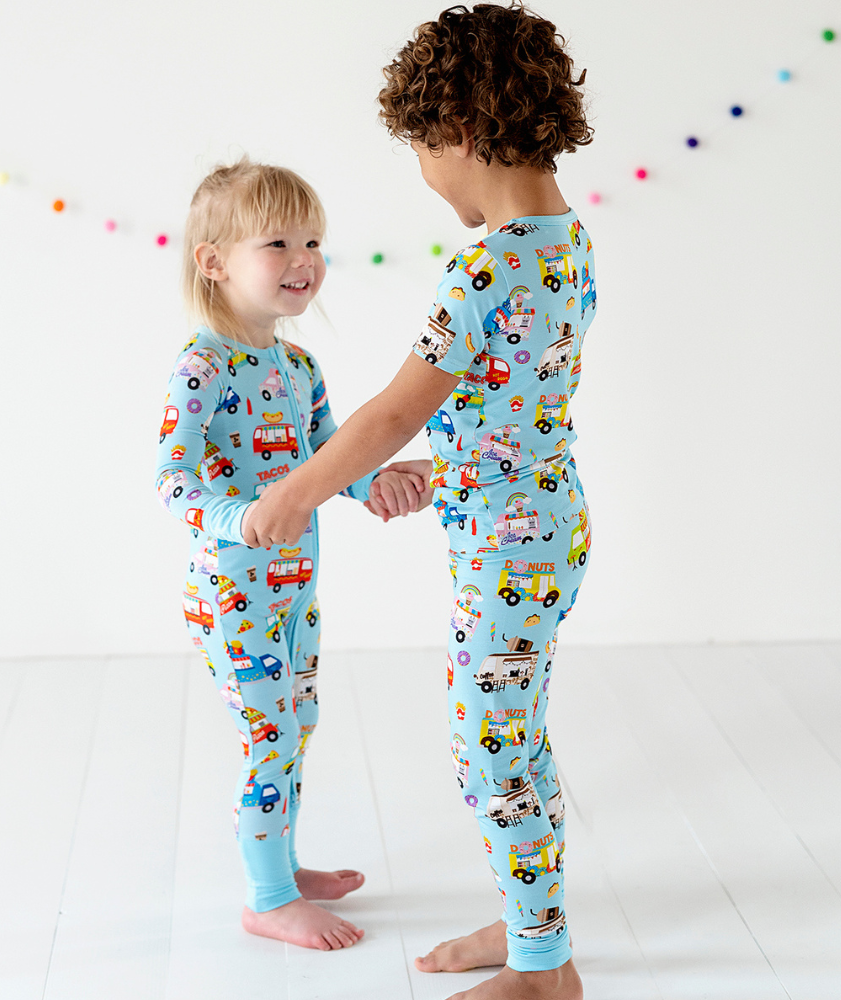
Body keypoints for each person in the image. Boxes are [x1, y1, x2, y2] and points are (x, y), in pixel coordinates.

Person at [242, 5, 596, 998]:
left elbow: (396, 409)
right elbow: (518, 399)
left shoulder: (489, 265)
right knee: (511, 733)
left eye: (423, 150)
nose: (426, 174)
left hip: (510, 545)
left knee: (495, 751)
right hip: (543, 519)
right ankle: (528, 914)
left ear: (469, 130)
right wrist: (457, 470)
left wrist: (300, 484)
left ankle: (543, 965)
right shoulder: (564, 244)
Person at [154, 158, 426, 952]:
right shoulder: (200, 366)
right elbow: (172, 482)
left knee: (296, 721)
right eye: (279, 241)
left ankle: (282, 863)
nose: (304, 258)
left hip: (295, 589)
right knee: (270, 736)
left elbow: (324, 456)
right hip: (232, 592)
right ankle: (268, 898)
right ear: (215, 261)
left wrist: (375, 481)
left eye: (314, 241)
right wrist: (239, 518)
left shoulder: (297, 364)